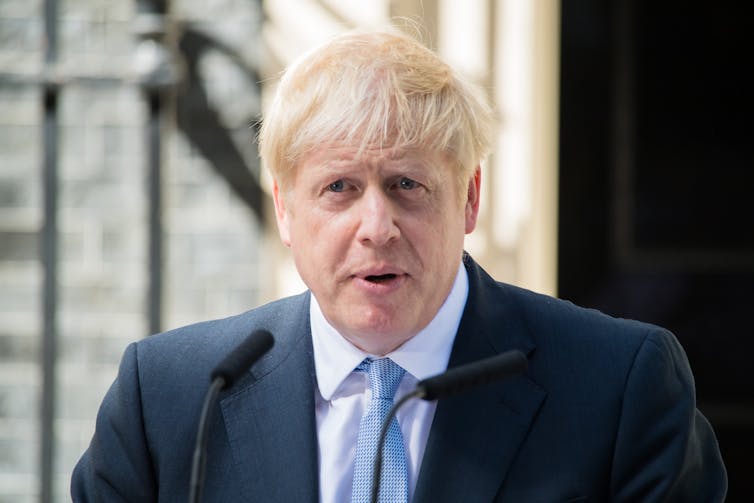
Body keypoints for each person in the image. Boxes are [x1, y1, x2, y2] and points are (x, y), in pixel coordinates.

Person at [71, 29, 727, 502]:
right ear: (285, 211)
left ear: (470, 198)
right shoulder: (168, 397)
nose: (376, 228)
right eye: (339, 188)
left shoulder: (620, 387)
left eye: (407, 185)